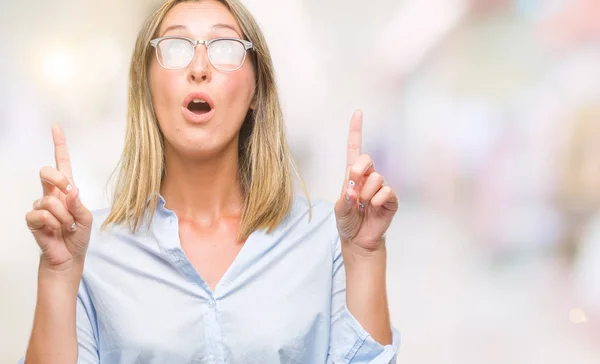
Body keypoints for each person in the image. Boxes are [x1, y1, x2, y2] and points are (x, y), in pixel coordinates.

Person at [21, 0, 400, 363]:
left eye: (224, 47)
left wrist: (366, 254)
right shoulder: (89, 251)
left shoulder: (325, 236)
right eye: (175, 47)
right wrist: (58, 273)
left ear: (256, 90)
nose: (199, 67)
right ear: (148, 88)